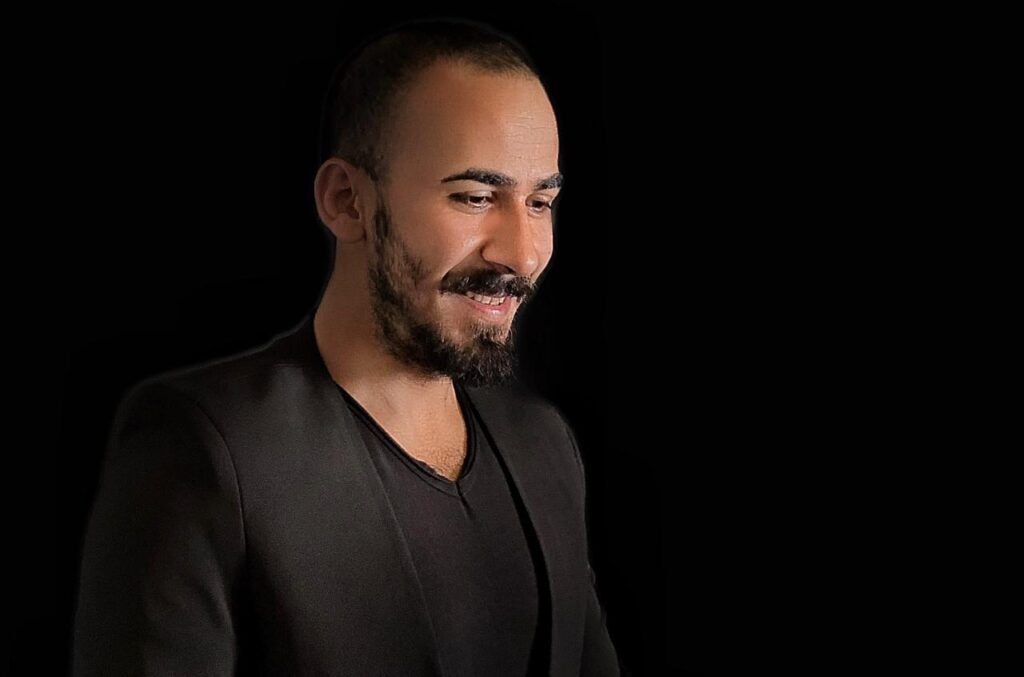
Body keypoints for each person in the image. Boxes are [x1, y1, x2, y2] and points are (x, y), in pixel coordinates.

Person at [72, 17, 623, 676]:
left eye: (540, 203)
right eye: (476, 197)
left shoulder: (545, 445)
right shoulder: (202, 451)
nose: (524, 254)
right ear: (346, 201)